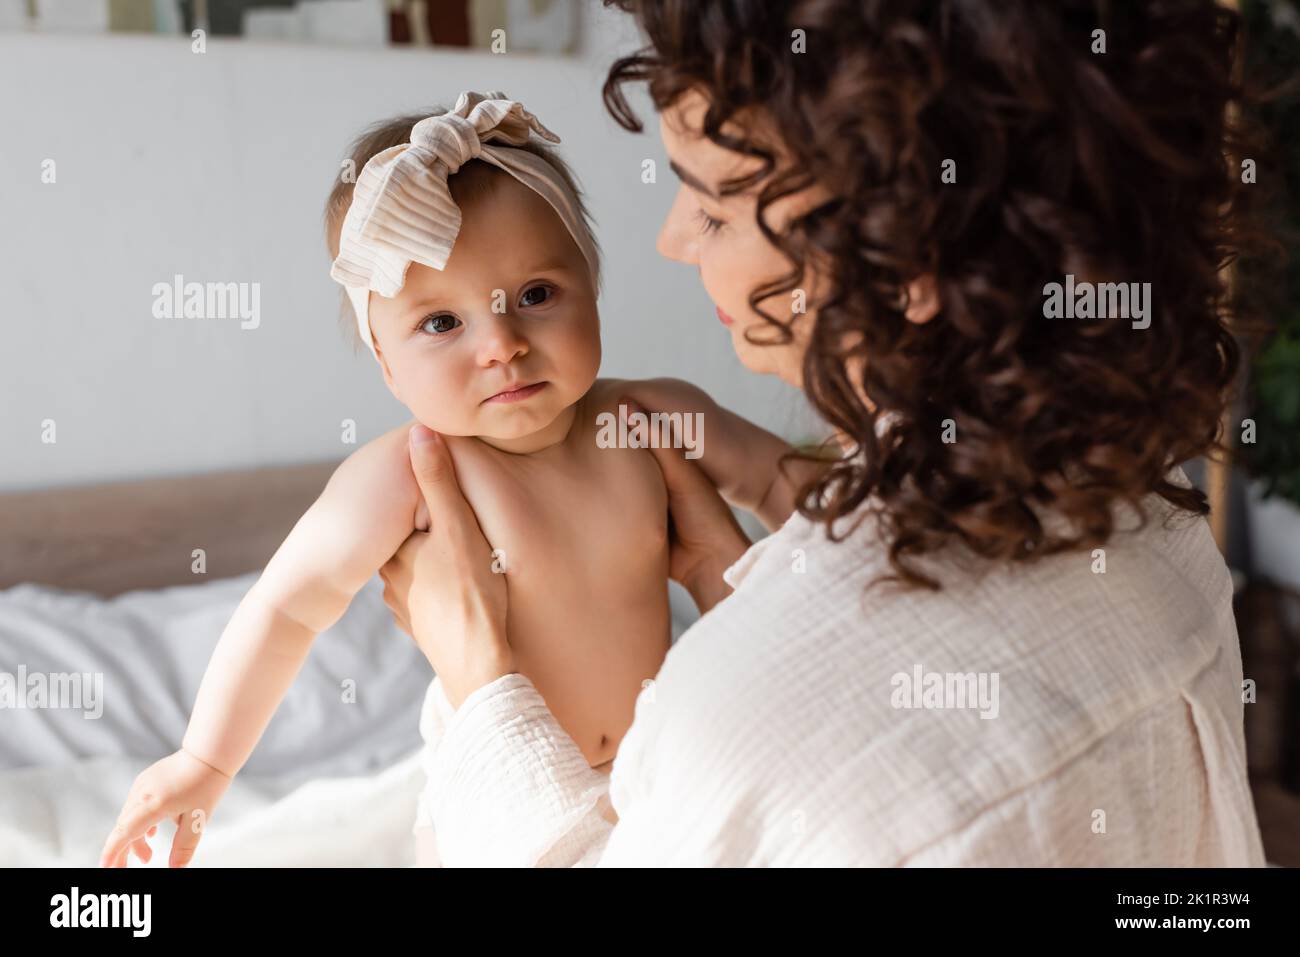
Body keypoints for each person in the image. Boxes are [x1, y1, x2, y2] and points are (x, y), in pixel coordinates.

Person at [383, 0, 1269, 866]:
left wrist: (482, 686)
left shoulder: (742, 729)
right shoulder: (1164, 530)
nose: (672, 238)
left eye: (715, 206)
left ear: (906, 249)